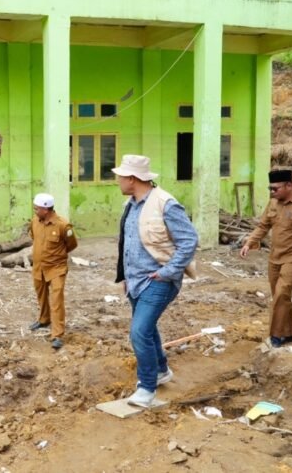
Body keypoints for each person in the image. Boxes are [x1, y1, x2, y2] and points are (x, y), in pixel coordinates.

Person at [114, 155, 198, 408]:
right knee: (147, 329)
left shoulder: (166, 204)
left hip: (159, 279)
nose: (117, 181)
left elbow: (189, 240)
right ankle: (161, 370)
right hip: (136, 281)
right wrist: (125, 276)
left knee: (139, 332)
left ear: (132, 179)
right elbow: (127, 243)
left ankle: (147, 387)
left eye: (120, 177)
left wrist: (168, 271)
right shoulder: (130, 205)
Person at [240, 169, 292, 347]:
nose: (272, 192)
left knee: (281, 294)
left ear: (289, 186)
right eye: (270, 188)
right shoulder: (273, 203)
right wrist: (249, 242)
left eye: (275, 188)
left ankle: (276, 335)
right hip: (275, 257)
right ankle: (288, 333)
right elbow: (263, 226)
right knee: (280, 297)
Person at [28, 193, 78, 349]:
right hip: (39, 267)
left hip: (56, 268)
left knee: (56, 300)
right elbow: (34, 238)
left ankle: (57, 334)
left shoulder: (63, 225)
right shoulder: (35, 222)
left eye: (37, 208)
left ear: (46, 209)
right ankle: (44, 319)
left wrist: (58, 255)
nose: (35, 211)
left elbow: (72, 244)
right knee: (41, 295)